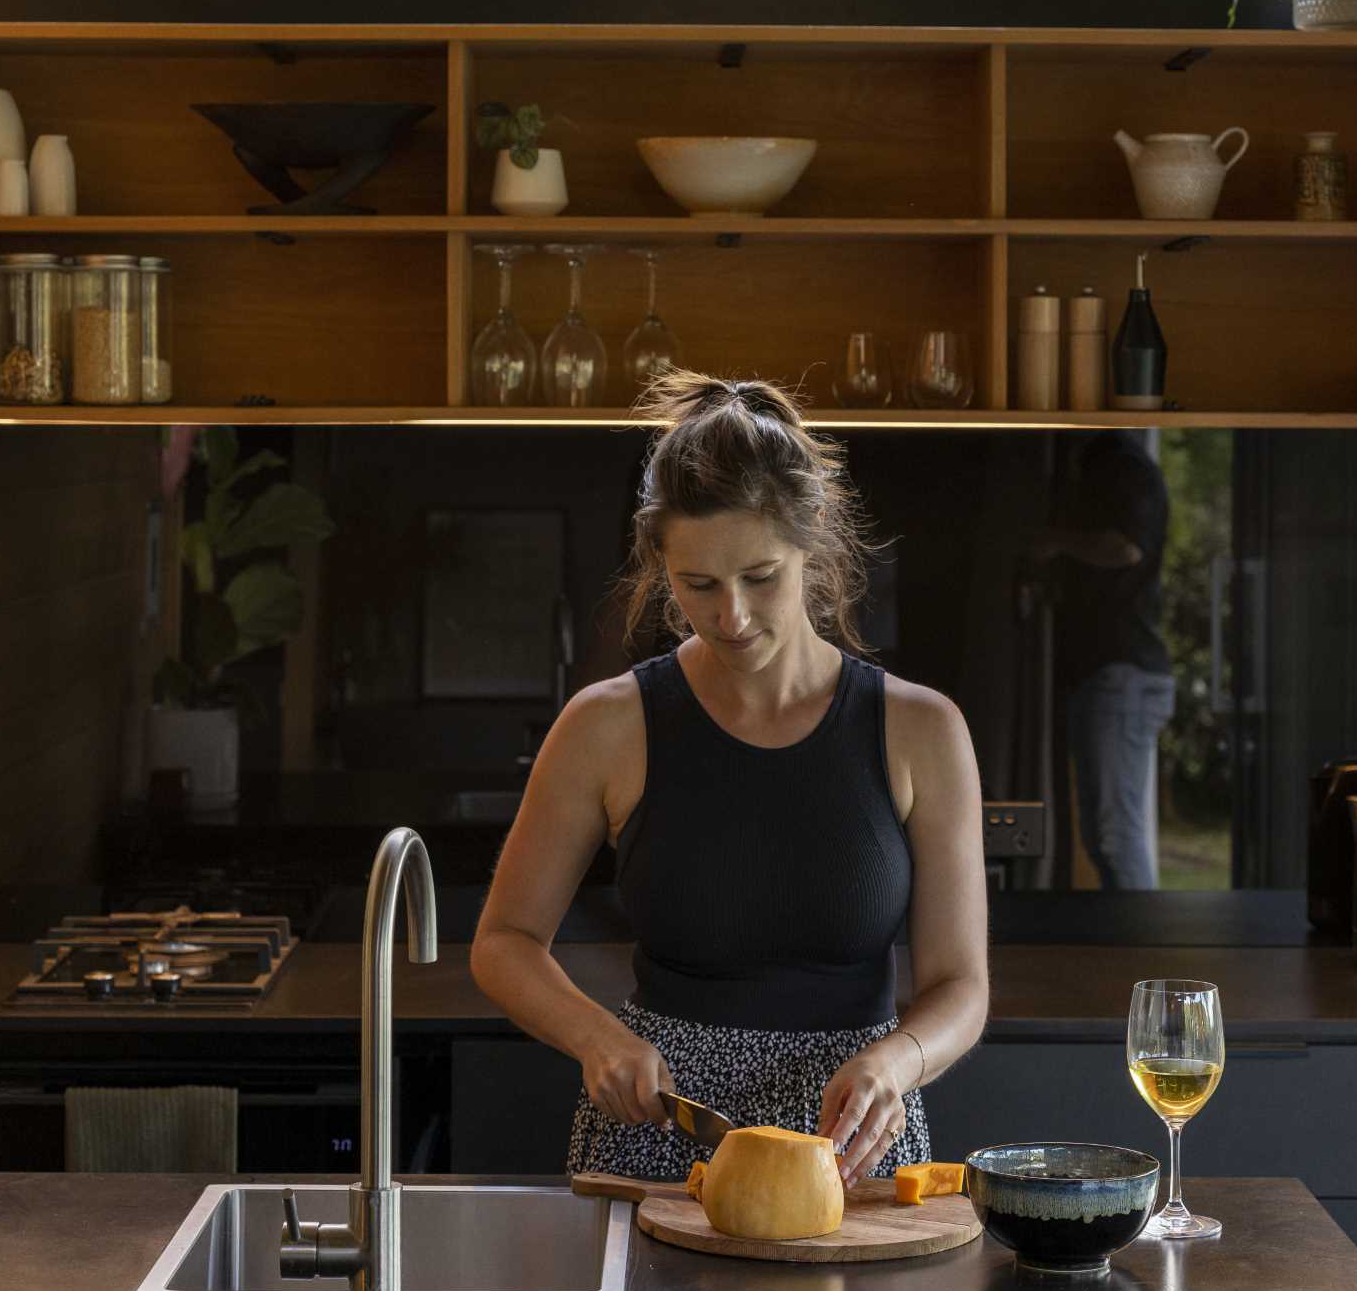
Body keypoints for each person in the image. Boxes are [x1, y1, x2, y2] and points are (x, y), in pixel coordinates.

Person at [471, 371, 989, 1184]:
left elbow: (961, 985)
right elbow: (503, 944)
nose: (732, 617)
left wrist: (899, 1061)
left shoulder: (923, 730)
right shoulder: (607, 726)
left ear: (810, 547)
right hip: (660, 1140)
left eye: (760, 577)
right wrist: (597, 1037)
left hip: (853, 1147)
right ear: (660, 567)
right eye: (699, 585)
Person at [1037, 431, 1176, 891]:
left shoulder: (1126, 468)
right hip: (1108, 675)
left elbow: (1126, 547)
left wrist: (1056, 542)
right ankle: (1135, 952)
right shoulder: (1108, 467)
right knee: (1102, 838)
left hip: (1122, 675)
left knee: (1116, 837)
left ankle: (1145, 956)